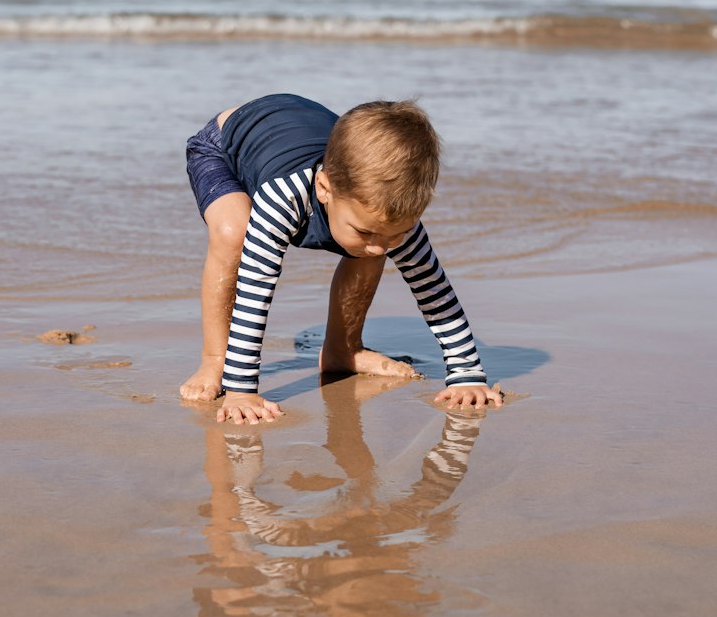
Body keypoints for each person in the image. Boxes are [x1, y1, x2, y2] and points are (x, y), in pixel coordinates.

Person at [180, 93, 505, 424]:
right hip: (224, 147)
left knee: (370, 247)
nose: (381, 247)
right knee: (234, 232)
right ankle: (215, 359)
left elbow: (434, 291)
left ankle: (343, 349)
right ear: (324, 188)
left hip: (304, 134)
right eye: (364, 231)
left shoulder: (385, 214)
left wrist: (467, 374)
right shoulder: (284, 198)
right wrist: (241, 391)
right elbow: (255, 288)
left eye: (396, 233)